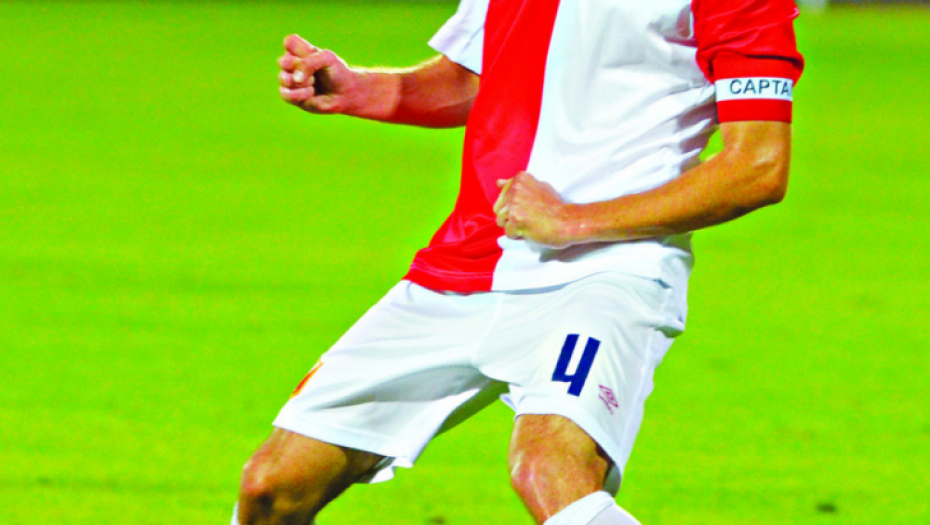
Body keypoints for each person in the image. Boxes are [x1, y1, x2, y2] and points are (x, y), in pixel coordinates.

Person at [233, 0, 804, 523]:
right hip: (467, 260)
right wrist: (364, 90)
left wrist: (573, 221)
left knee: (548, 468)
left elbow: (756, 166)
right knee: (271, 486)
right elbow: (478, 77)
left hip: (606, 269)